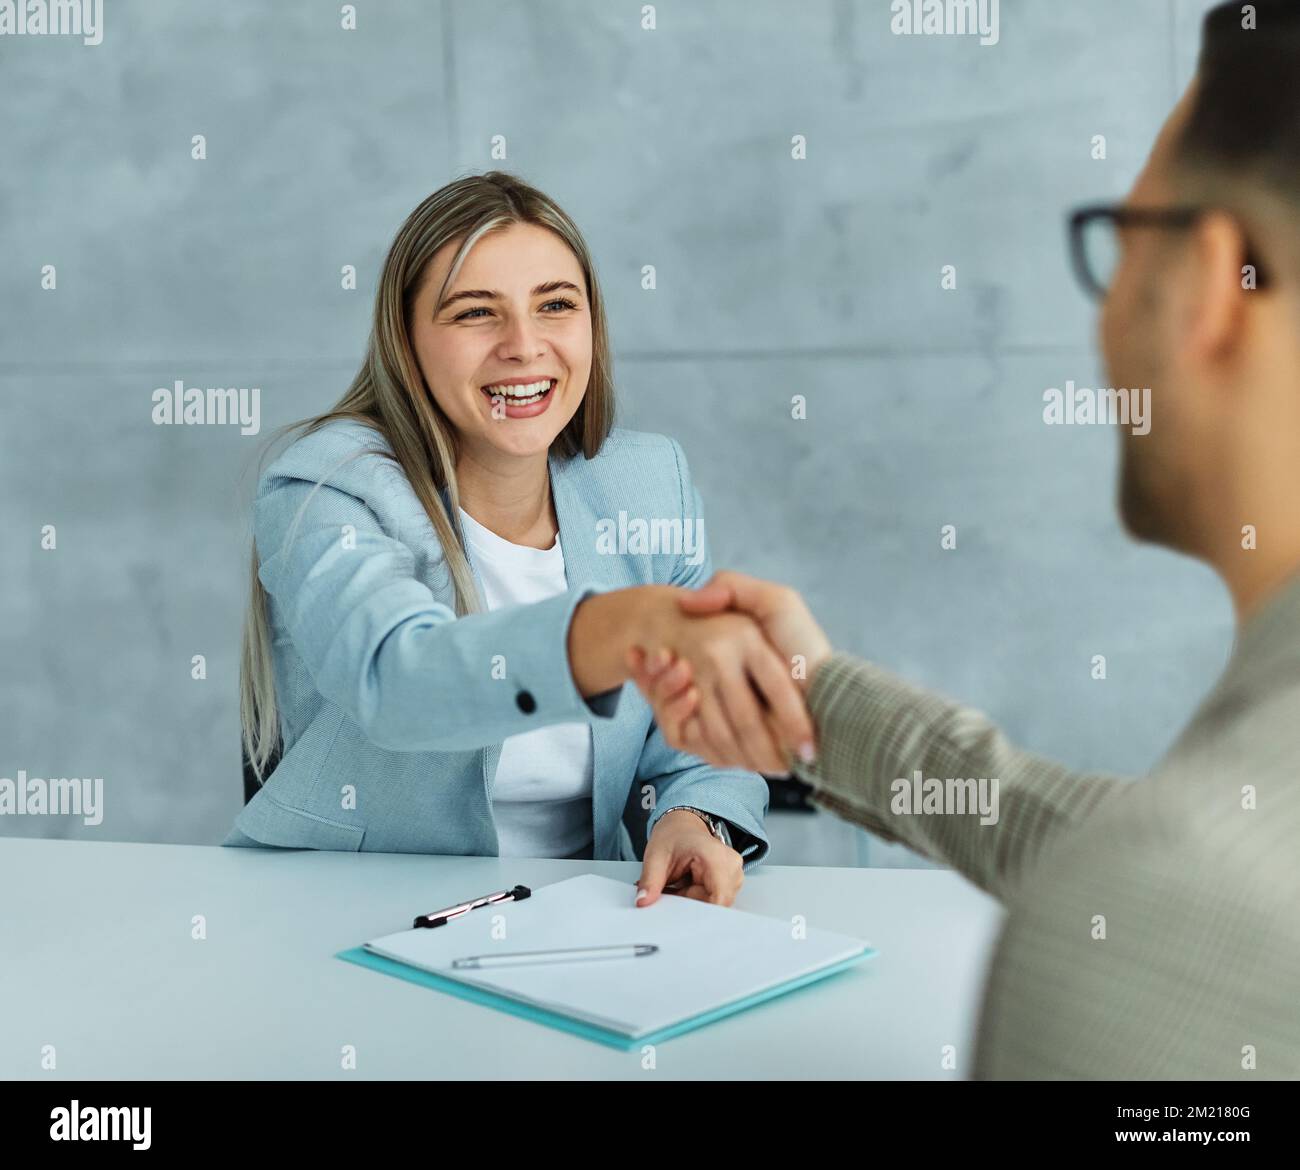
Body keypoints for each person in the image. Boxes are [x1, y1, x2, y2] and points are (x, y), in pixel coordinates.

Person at [630, 0, 1300, 1075]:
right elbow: (1122, 853)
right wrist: (823, 698)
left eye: (1123, 238)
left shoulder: (1167, 920)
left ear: (1217, 284)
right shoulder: (1214, 860)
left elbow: (1159, 901)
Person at [226, 172, 814, 908]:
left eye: (556, 306)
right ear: (405, 342)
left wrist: (693, 819)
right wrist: (619, 629)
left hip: (580, 922)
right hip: (345, 916)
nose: (524, 345)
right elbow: (398, 682)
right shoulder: (326, 487)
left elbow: (686, 733)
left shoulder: (645, 482)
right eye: (477, 313)